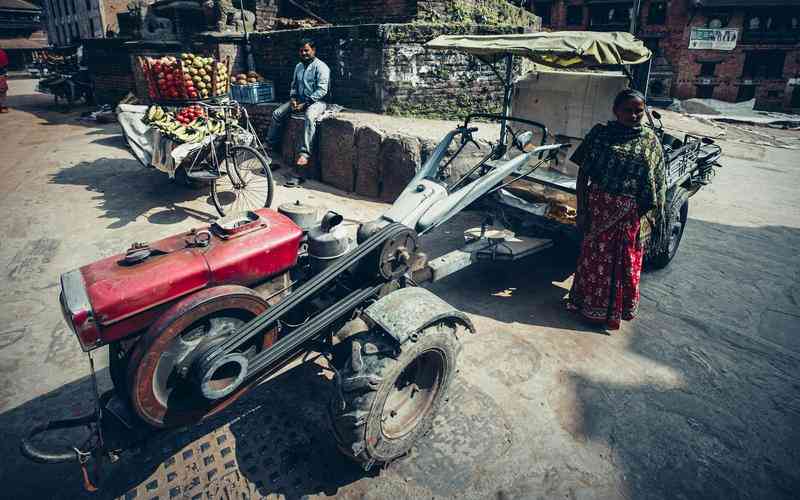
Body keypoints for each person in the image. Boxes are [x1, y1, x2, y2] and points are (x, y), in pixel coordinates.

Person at [566, 89, 666, 331]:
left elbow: (657, 181)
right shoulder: (600, 135)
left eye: (638, 111)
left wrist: (649, 218)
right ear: (615, 111)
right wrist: (581, 210)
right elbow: (583, 174)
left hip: (629, 216)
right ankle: (587, 307)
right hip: (598, 210)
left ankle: (615, 312)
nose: (633, 115)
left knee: (625, 264)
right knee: (594, 261)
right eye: (628, 110)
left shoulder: (649, 141)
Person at [266, 38, 330, 186]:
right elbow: (294, 85)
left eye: (306, 50)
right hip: (299, 100)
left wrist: (306, 103)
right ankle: (271, 149)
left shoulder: (321, 67)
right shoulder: (299, 67)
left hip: (317, 102)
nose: (304, 53)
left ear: (313, 51)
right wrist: (294, 98)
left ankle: (304, 154)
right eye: (301, 51)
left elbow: (322, 90)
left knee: (309, 117)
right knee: (277, 114)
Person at [0, 48, 9, 113]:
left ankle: (3, 107)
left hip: (1, 74)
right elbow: (5, 64)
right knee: (2, 91)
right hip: (2, 74)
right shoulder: (2, 52)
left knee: (2, 91)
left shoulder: (2, 53)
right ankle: (3, 107)